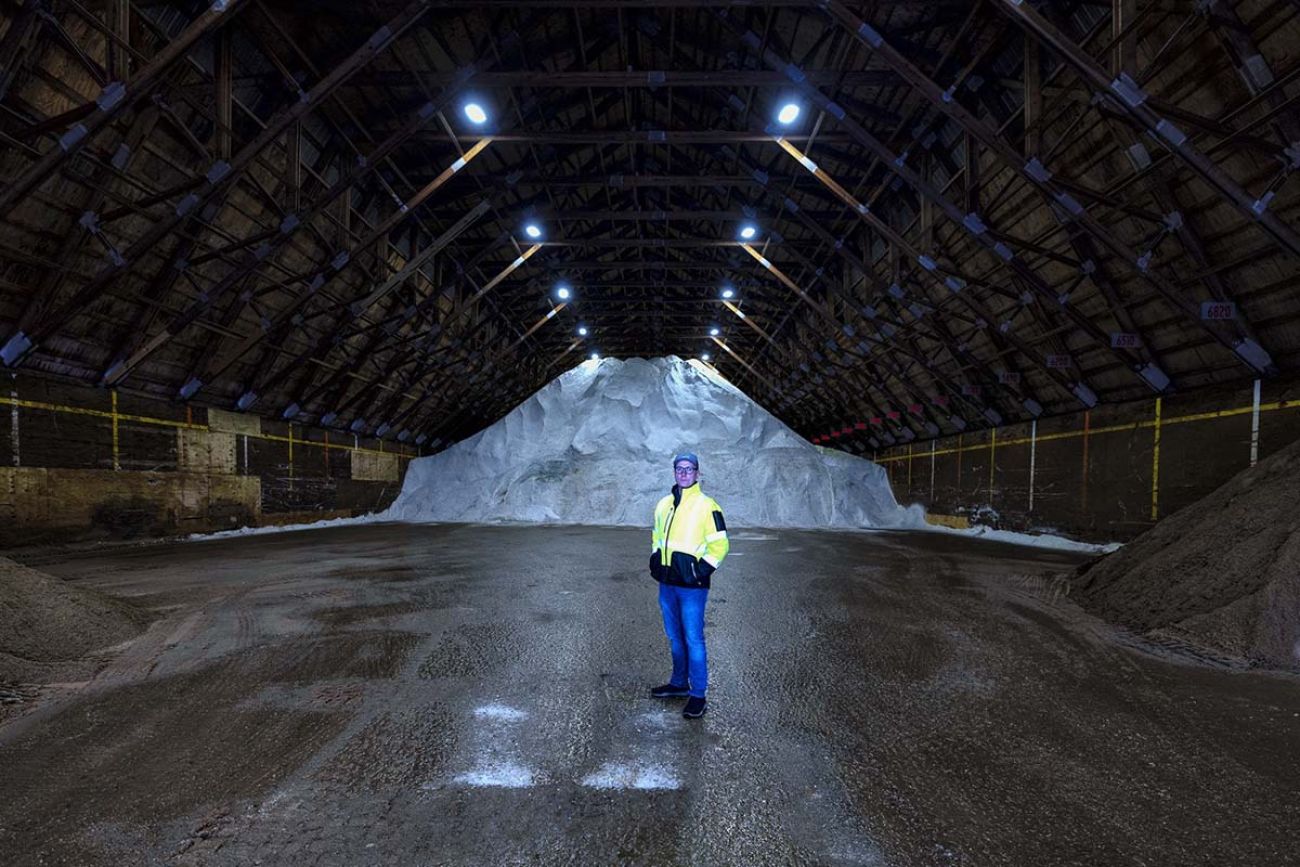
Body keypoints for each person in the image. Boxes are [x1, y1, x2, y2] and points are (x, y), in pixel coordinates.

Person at [648, 452, 729, 719]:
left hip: (692, 587)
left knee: (694, 639)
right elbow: (657, 537)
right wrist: (655, 561)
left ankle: (698, 695)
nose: (684, 473)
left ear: (697, 473)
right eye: (679, 469)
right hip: (668, 584)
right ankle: (679, 683)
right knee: (675, 637)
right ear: (674, 472)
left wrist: (699, 571)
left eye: (689, 469)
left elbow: (720, 544)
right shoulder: (663, 505)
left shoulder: (708, 506)